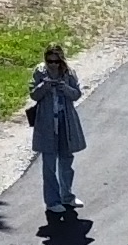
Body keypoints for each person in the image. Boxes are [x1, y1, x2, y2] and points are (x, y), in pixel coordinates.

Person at [25, 46, 89, 225]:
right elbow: (34, 95)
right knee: (49, 164)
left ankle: (67, 195)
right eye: (50, 61)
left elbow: (76, 94)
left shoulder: (68, 73)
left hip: (65, 121)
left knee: (66, 160)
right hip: (47, 124)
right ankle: (52, 202)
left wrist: (64, 88)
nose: (53, 65)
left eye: (56, 61)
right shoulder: (39, 71)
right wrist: (45, 85)